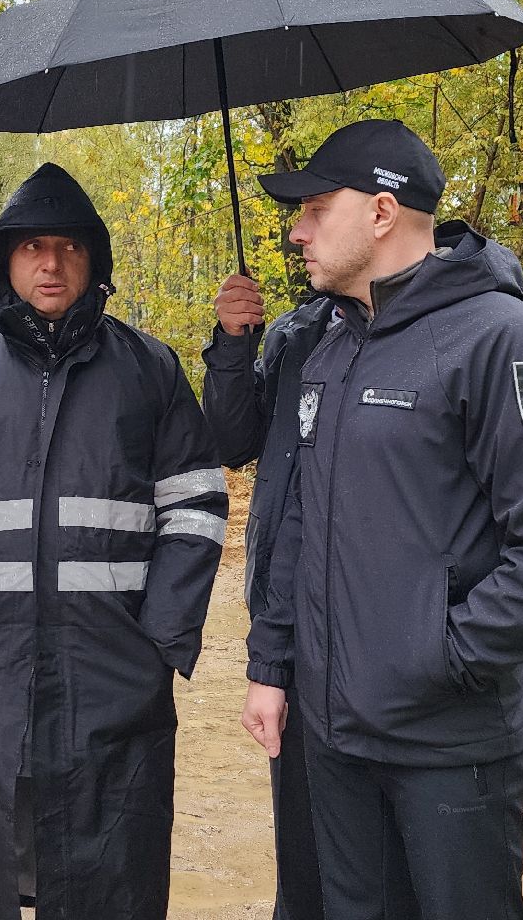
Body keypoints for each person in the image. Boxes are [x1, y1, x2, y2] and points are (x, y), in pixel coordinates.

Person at [238, 119, 523, 919]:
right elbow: (297, 527)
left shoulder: (501, 337)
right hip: (332, 739)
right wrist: (273, 662)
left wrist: (439, 660)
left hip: (447, 749)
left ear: (380, 212)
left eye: (315, 209)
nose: (297, 232)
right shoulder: (328, 346)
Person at [0, 163, 227, 920]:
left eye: (70, 246)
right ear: (5, 259)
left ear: (95, 260)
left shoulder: (149, 369)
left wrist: (159, 638)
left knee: (107, 864)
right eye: (32, 246)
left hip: (110, 668)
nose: (52, 263)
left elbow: (195, 507)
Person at [202, 274, 333, 920]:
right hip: (285, 621)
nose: (299, 234)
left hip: (379, 638)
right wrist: (234, 344)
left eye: (314, 222)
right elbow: (231, 442)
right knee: (304, 847)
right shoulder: (295, 334)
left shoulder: (467, 333)